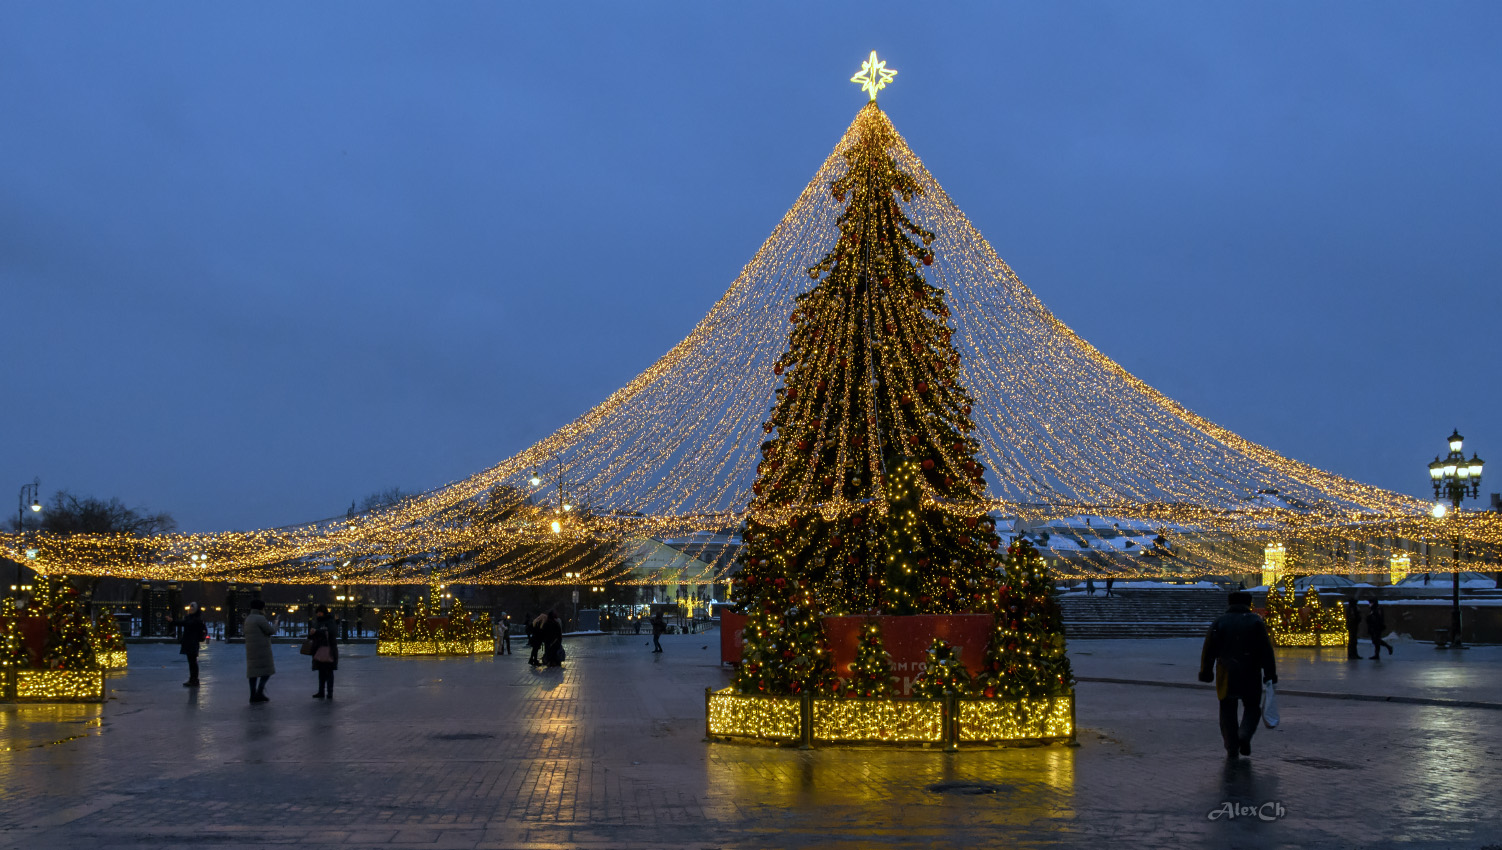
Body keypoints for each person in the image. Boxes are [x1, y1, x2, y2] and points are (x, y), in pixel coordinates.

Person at [1198, 591, 1277, 758]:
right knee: (1252, 707)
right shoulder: (1256, 621)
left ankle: (1231, 745)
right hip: (1251, 671)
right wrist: (1270, 673)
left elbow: (1209, 649)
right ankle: (1244, 735)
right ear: (1248, 603)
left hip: (1226, 672)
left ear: (1230, 603)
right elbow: (1266, 650)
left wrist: (1206, 671)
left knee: (1227, 709)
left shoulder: (1220, 622)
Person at [244, 600, 276, 703]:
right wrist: (275, 624)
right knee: (266, 672)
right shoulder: (260, 618)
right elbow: (270, 631)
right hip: (262, 650)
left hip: (251, 650)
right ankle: (259, 692)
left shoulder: (248, 618)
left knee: (253, 674)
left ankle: (252, 695)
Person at [169, 602, 208, 687]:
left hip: (192, 642)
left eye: (192, 608)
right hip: (190, 642)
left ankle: (194, 679)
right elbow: (184, 623)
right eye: (190, 608)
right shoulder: (194, 618)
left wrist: (173, 621)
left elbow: (185, 623)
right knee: (192, 662)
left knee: (192, 662)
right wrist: (173, 621)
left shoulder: (195, 620)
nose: (191, 609)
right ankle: (193, 679)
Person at [310, 604, 339, 698]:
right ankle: (321, 691)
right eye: (317, 613)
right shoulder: (317, 622)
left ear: (324, 613)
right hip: (319, 649)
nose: (318, 614)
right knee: (321, 671)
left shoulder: (330, 621)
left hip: (328, 649)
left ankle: (329, 692)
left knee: (329, 672)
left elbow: (332, 632)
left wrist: (317, 632)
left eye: (320, 612)